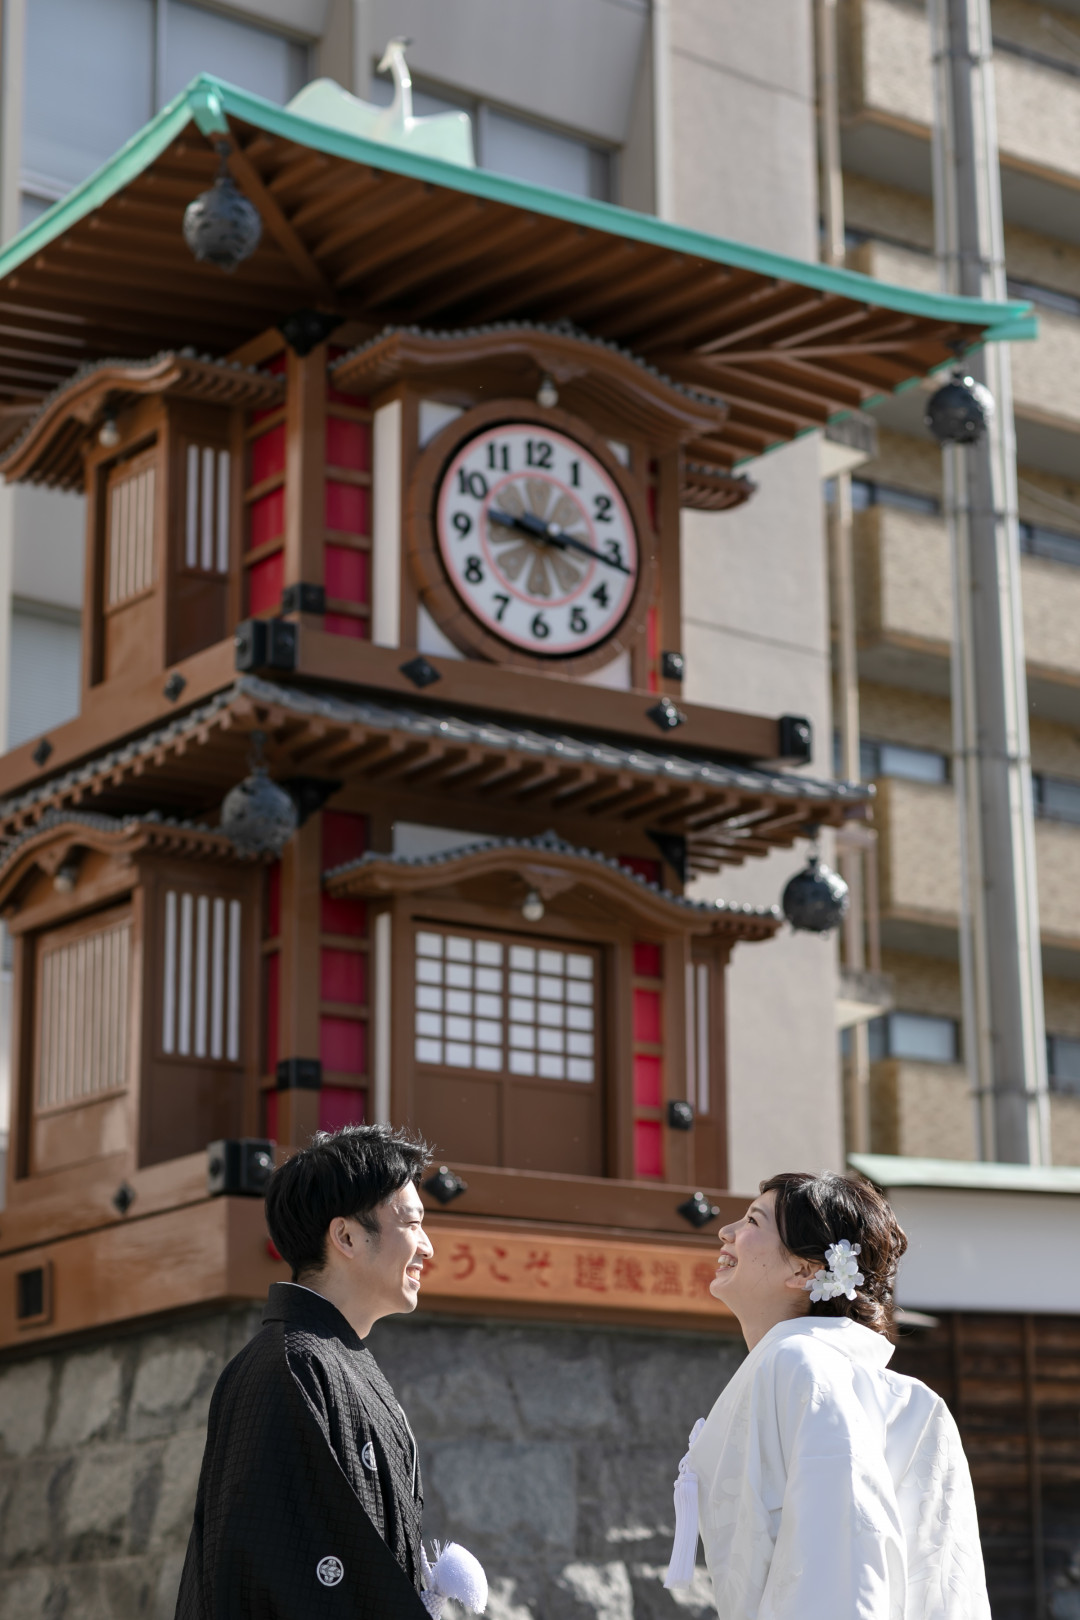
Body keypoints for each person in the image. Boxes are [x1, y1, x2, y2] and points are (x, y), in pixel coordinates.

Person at [664, 1171, 990, 1620]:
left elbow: (844, 1546)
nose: (727, 1231)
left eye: (753, 1222)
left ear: (803, 1270)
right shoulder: (889, 1392)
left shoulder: (800, 1363)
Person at [175, 1123, 437, 1619]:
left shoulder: (324, 1359)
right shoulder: (294, 1364)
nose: (427, 1248)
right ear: (346, 1236)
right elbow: (286, 1572)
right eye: (411, 1224)